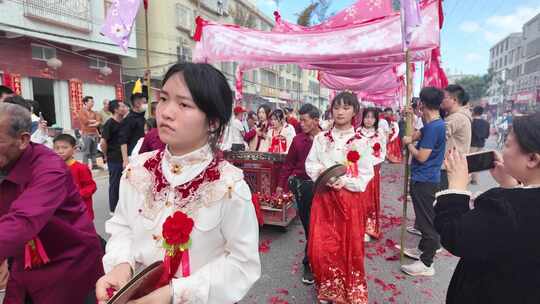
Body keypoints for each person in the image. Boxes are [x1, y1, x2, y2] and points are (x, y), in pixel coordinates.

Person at [96, 63, 261, 304]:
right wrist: (121, 264)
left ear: (213, 122)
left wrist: (175, 293)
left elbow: (242, 263)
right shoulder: (137, 171)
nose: (165, 112)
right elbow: (122, 228)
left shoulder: (228, 186)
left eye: (184, 104)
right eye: (163, 99)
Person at [0, 102, 103, 303]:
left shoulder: (49, 168)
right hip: (23, 263)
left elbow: (23, 220)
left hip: (68, 264)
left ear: (22, 140)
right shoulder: (6, 161)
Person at [435, 112, 540, 304]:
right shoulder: (514, 203)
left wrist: (456, 187)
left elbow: (455, 235)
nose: (502, 149)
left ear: (532, 159)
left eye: (507, 144)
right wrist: (512, 186)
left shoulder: (503, 205)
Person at [306, 91, 376, 304]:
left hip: (349, 199)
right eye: (336, 107)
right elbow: (310, 164)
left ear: (355, 111)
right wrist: (325, 176)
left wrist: (345, 182)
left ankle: (347, 288)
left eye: (346, 107)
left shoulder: (362, 142)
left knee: (348, 246)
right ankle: (328, 287)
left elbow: (366, 174)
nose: (340, 112)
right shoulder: (320, 138)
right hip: (324, 199)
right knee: (322, 246)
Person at [401, 87, 447, 276]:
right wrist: (410, 119)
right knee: (424, 218)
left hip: (425, 180)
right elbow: (415, 134)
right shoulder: (433, 124)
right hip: (425, 178)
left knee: (426, 222)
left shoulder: (435, 127)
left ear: (423, 103)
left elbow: (421, 156)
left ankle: (427, 263)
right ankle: (423, 250)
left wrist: (408, 144)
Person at [276, 103, 321, 285]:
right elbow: (288, 165)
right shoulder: (298, 140)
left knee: (322, 229)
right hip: (303, 188)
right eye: (300, 120)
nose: (301, 124)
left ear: (316, 121)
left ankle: (318, 262)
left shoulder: (327, 139)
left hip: (325, 187)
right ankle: (308, 264)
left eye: (304, 120)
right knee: (310, 228)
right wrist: (281, 186)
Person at [357, 107, 387, 241]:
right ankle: (357, 226)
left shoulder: (379, 134)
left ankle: (369, 229)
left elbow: (382, 154)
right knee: (358, 197)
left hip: (372, 170)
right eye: (366, 117)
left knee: (369, 198)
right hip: (357, 170)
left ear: (376, 119)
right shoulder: (357, 132)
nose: (369, 120)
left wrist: (369, 162)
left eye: (372, 117)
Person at [53, 134, 97, 220]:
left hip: (81, 211)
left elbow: (91, 186)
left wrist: (76, 195)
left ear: (74, 149)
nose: (60, 151)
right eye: (57, 148)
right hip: (62, 212)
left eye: (65, 147)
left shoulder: (81, 168)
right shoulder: (53, 168)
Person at [440, 84, 472, 189]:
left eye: (444, 97)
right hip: (454, 167)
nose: (442, 100)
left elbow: (437, 137)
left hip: (449, 169)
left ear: (453, 100)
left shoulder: (456, 118)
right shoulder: (457, 116)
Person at [100, 100, 128, 213]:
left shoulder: (125, 123)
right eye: (122, 106)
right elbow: (103, 143)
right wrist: (106, 155)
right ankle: (113, 209)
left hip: (126, 158)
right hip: (114, 159)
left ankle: (124, 209)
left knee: (126, 185)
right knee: (115, 184)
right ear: (116, 109)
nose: (124, 108)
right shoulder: (109, 124)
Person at [119, 92, 147, 168]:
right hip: (133, 155)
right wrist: (125, 160)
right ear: (137, 103)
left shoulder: (142, 117)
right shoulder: (129, 119)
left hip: (143, 154)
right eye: (144, 102)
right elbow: (123, 141)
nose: (146, 105)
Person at [78, 96, 102, 170]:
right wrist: (93, 121)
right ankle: (85, 166)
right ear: (85, 102)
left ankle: (94, 165)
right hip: (86, 134)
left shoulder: (94, 112)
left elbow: (98, 122)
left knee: (94, 151)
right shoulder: (81, 111)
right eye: (91, 101)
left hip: (94, 133)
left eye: (93, 102)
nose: (93, 103)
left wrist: (91, 122)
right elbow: (85, 122)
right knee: (86, 151)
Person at [470, 106, 491, 184]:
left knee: (470, 161)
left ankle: (469, 179)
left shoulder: (471, 122)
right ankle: (475, 179)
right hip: (481, 144)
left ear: (474, 112)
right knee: (477, 162)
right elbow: (487, 135)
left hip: (472, 144)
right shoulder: (486, 123)